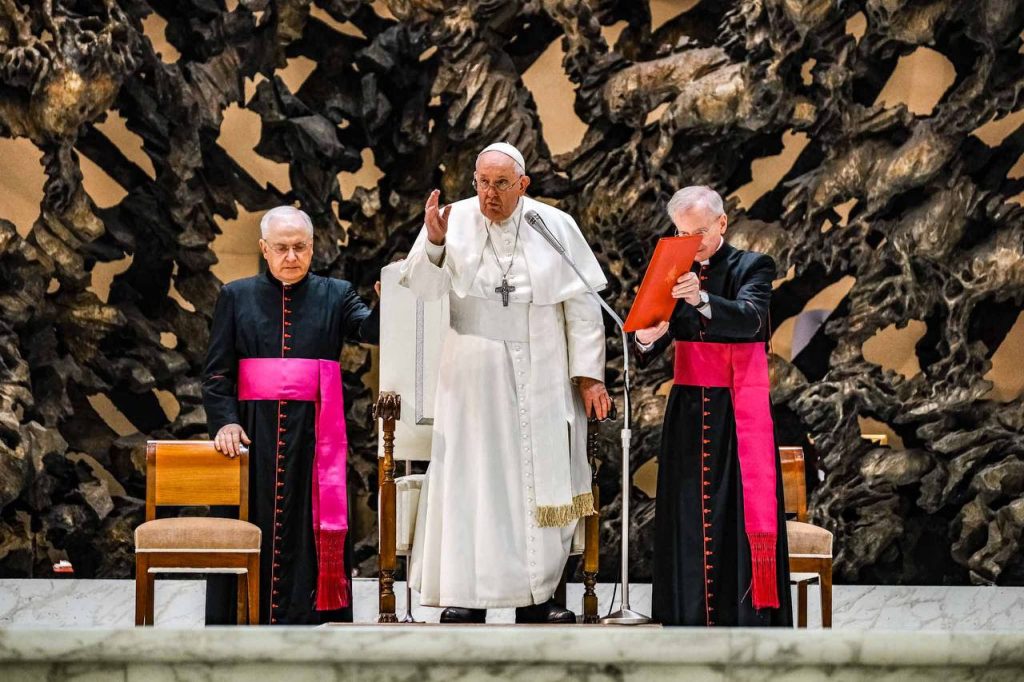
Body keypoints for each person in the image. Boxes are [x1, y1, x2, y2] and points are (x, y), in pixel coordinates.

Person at [401, 142, 611, 624]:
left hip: (541, 369)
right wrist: (433, 244)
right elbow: (422, 290)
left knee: (535, 482)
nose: (488, 194)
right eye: (481, 182)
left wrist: (589, 377)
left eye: (500, 183)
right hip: (471, 377)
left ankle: (537, 599)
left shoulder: (552, 225)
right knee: (472, 480)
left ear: (523, 184)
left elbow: (580, 307)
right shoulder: (451, 219)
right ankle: (465, 595)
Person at [202, 205, 379, 624]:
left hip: (314, 439)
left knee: (308, 530)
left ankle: (312, 620)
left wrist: (389, 302)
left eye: (299, 247)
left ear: (312, 248)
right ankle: (237, 623)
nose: (291, 256)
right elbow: (216, 374)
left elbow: (371, 331)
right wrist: (225, 421)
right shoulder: (235, 295)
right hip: (252, 436)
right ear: (264, 249)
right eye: (281, 247)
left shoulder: (336, 294)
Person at [633, 186, 792, 626]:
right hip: (687, 411)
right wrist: (648, 333)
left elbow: (752, 319)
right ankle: (686, 620)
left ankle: (745, 623)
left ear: (722, 224)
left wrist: (700, 299)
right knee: (687, 514)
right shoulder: (670, 266)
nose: (692, 241)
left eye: (699, 232)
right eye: (683, 232)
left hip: (737, 413)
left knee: (736, 517)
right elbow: (649, 336)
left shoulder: (752, 266)